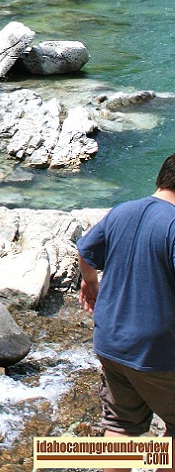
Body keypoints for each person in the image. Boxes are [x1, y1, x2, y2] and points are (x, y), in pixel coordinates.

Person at [77, 153, 175, 462]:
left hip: (111, 343)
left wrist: (90, 284)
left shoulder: (122, 211)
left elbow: (85, 252)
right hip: (156, 353)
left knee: (121, 424)